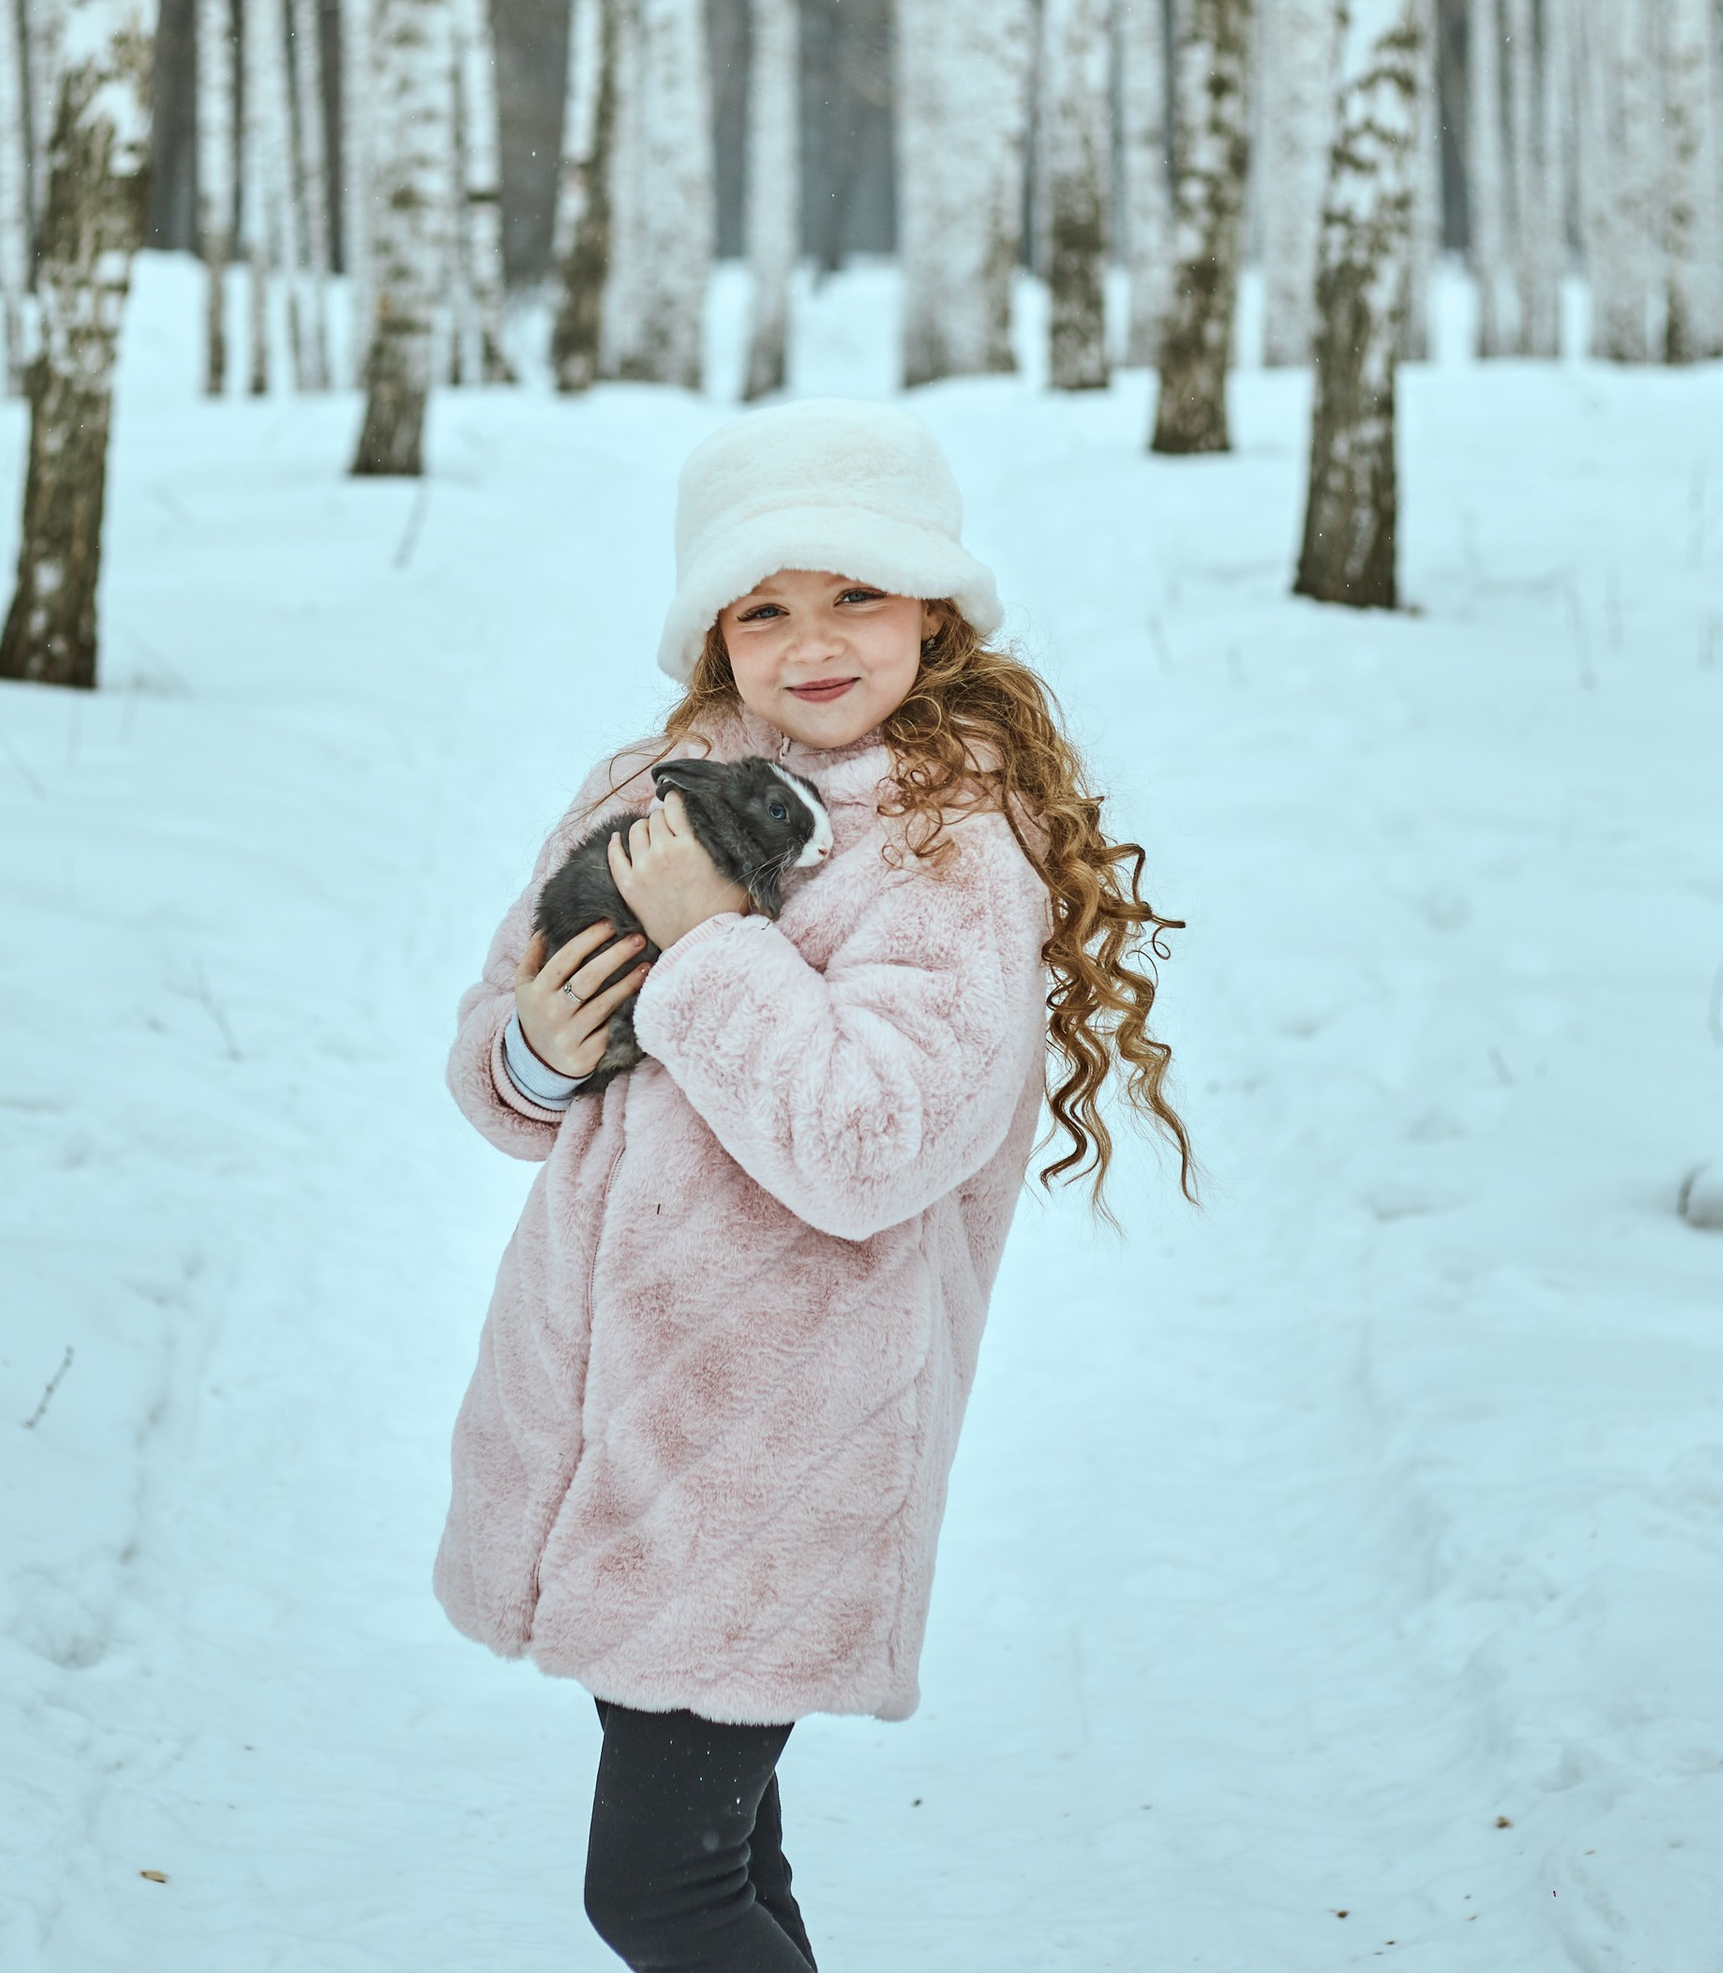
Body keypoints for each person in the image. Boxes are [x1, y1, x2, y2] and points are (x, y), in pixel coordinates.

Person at [434, 398, 1192, 1970]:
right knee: (729, 1874)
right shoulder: (646, 784)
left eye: (858, 592)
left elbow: (873, 1148)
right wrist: (541, 1050)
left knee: (660, 1895)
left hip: (769, 1461)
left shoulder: (947, 847)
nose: (814, 641)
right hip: (606, 1436)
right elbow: (499, 1070)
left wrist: (712, 945)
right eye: (764, 605)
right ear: (714, 626)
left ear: (935, 606)